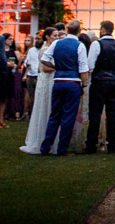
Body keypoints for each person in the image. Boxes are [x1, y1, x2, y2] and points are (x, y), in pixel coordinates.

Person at [40, 19, 89, 156]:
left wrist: (55, 67)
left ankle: (46, 147)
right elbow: (83, 68)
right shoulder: (80, 46)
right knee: (68, 116)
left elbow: (44, 59)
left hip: (58, 81)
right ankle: (62, 149)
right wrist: (84, 85)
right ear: (79, 31)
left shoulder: (56, 43)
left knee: (54, 115)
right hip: (73, 82)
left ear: (67, 30)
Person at [83, 20, 115, 154]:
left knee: (95, 113)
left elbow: (90, 64)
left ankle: (91, 144)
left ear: (102, 30)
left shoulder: (97, 44)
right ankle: (112, 144)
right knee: (112, 114)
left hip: (99, 81)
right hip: (113, 82)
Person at [20, 27, 58, 154]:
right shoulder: (45, 50)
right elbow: (45, 69)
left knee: (50, 109)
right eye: (54, 36)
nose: (57, 38)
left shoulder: (51, 49)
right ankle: (41, 139)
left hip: (50, 80)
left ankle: (50, 140)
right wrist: (62, 66)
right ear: (47, 37)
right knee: (44, 108)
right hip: (46, 80)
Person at [0, 32, 18, 128]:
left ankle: (1, 119)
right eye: (9, 39)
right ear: (4, 40)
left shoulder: (11, 51)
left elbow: (15, 62)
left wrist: (14, 65)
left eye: (12, 39)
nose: (11, 41)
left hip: (9, 76)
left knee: (4, 99)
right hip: (0, 76)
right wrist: (6, 64)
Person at [22, 34, 40, 119]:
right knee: (31, 96)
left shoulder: (45, 49)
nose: (37, 40)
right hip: (31, 75)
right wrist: (27, 66)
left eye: (39, 39)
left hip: (40, 76)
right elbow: (27, 62)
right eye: (36, 39)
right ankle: (31, 115)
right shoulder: (31, 50)